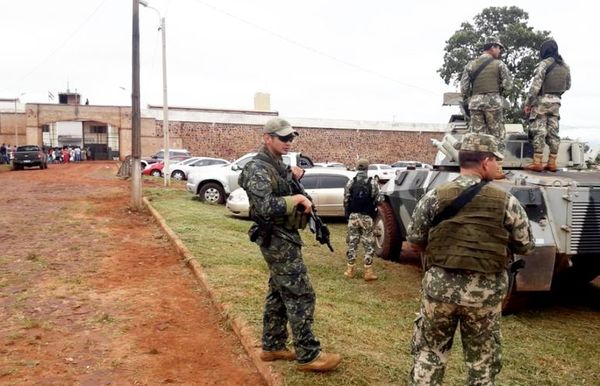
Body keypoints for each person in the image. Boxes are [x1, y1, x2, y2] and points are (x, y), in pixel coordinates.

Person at [406, 133, 534, 386]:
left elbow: (414, 238)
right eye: (497, 160)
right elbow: (525, 245)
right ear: (485, 162)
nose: (499, 166)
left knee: (430, 353)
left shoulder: (436, 195)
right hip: (484, 296)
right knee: (482, 361)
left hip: (439, 290)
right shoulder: (506, 201)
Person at [238, 117, 342, 372]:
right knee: (300, 293)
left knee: (278, 292)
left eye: (290, 138)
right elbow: (263, 207)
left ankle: (273, 345)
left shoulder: (278, 165)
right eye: (283, 138)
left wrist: (293, 180)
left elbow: (284, 193)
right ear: (267, 138)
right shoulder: (257, 168)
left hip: (286, 236)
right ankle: (309, 355)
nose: (288, 142)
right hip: (276, 237)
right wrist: (294, 197)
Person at [460, 37, 513, 179]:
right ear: (492, 47)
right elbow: (508, 85)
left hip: (475, 103)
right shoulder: (499, 64)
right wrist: (499, 94)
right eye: (499, 47)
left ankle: (477, 170)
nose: (500, 50)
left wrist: (470, 98)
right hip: (493, 102)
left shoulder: (471, 65)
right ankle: (497, 169)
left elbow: (464, 88)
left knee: (478, 137)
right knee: (497, 135)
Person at [523, 39, 571, 172]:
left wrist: (528, 103)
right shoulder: (565, 66)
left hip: (542, 101)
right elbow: (568, 86)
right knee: (553, 131)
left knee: (539, 130)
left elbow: (536, 86)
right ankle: (552, 163)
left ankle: (537, 163)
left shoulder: (544, 64)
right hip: (556, 102)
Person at [343, 158, 383, 281]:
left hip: (353, 217)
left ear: (356, 167)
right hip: (367, 217)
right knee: (368, 243)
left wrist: (349, 213)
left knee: (352, 242)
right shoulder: (373, 182)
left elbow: (346, 200)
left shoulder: (351, 182)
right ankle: (368, 272)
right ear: (367, 168)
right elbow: (380, 199)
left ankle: (350, 270)